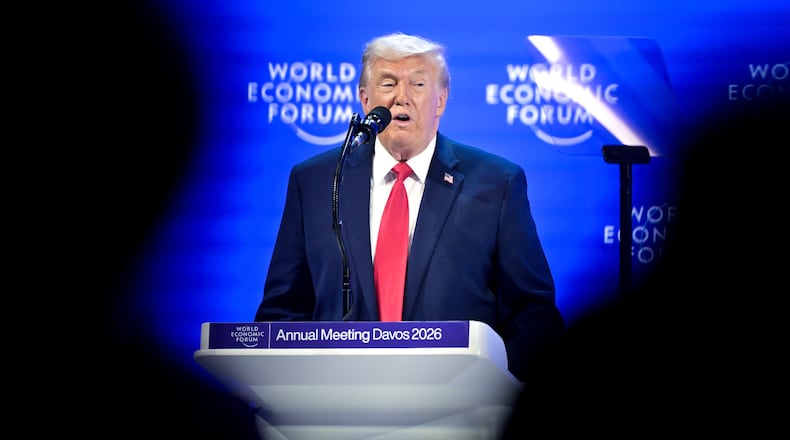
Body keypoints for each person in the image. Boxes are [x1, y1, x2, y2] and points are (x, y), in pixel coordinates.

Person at [254, 32, 565, 382]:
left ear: (441, 101)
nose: (402, 98)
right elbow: (281, 311)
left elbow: (531, 312)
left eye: (418, 84)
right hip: (335, 401)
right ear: (365, 99)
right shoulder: (315, 180)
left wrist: (504, 398)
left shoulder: (497, 183)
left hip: (459, 406)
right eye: (388, 84)